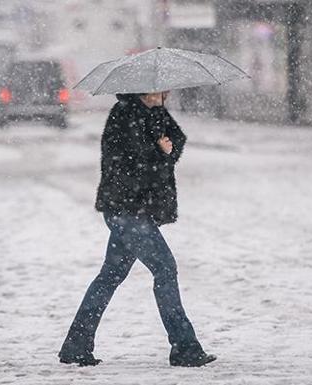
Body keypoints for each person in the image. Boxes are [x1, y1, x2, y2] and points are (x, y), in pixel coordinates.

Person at [58, 91, 216, 367]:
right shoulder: (124, 115)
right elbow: (131, 165)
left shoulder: (156, 113)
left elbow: (176, 140)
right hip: (127, 211)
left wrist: (168, 148)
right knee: (165, 268)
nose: (162, 95)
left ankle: (76, 346)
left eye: (164, 91)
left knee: (110, 276)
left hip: (135, 211)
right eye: (155, 91)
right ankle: (184, 346)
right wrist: (159, 151)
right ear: (141, 91)